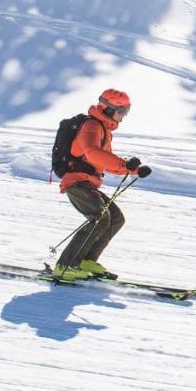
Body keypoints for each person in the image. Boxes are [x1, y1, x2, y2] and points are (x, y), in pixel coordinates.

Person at [52, 89, 152, 282]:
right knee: (99, 217)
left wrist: (134, 170)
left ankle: (86, 261)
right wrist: (125, 165)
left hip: (88, 182)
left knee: (115, 218)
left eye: (126, 111)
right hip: (76, 180)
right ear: (108, 109)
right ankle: (65, 265)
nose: (123, 116)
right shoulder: (91, 126)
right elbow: (93, 153)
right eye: (122, 111)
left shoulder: (103, 129)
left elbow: (102, 162)